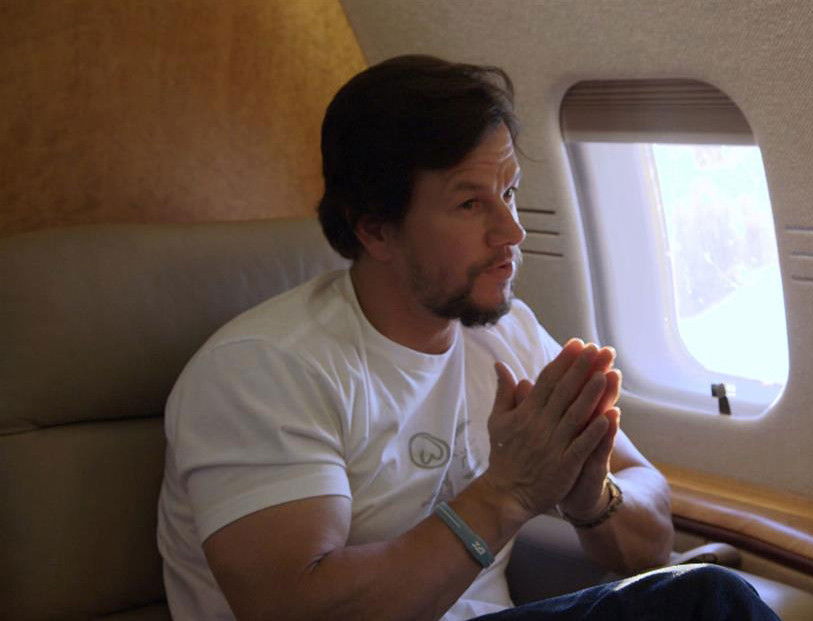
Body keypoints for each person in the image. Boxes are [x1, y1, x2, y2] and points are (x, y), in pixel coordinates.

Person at [157, 54, 779, 620]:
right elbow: (295, 611)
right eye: (469, 205)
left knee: (704, 595)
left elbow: (651, 536)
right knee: (708, 601)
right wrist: (507, 492)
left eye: (509, 192)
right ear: (375, 230)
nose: (512, 231)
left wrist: (591, 496)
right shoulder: (263, 371)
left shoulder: (508, 334)